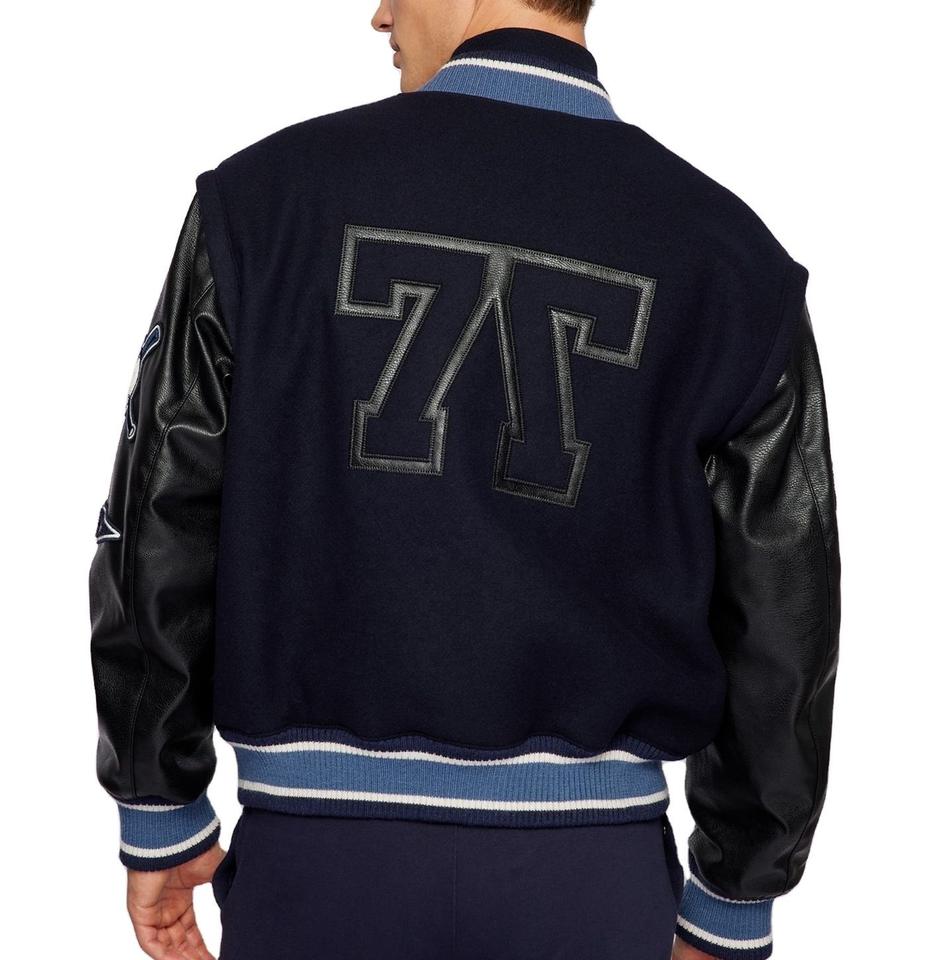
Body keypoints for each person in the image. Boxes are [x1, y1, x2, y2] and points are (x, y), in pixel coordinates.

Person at [87, 2, 841, 959]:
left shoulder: (261, 200)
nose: (378, 14)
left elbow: (161, 513)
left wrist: (158, 800)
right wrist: (737, 889)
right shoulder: (731, 261)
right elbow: (783, 608)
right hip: (591, 880)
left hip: (319, 868)